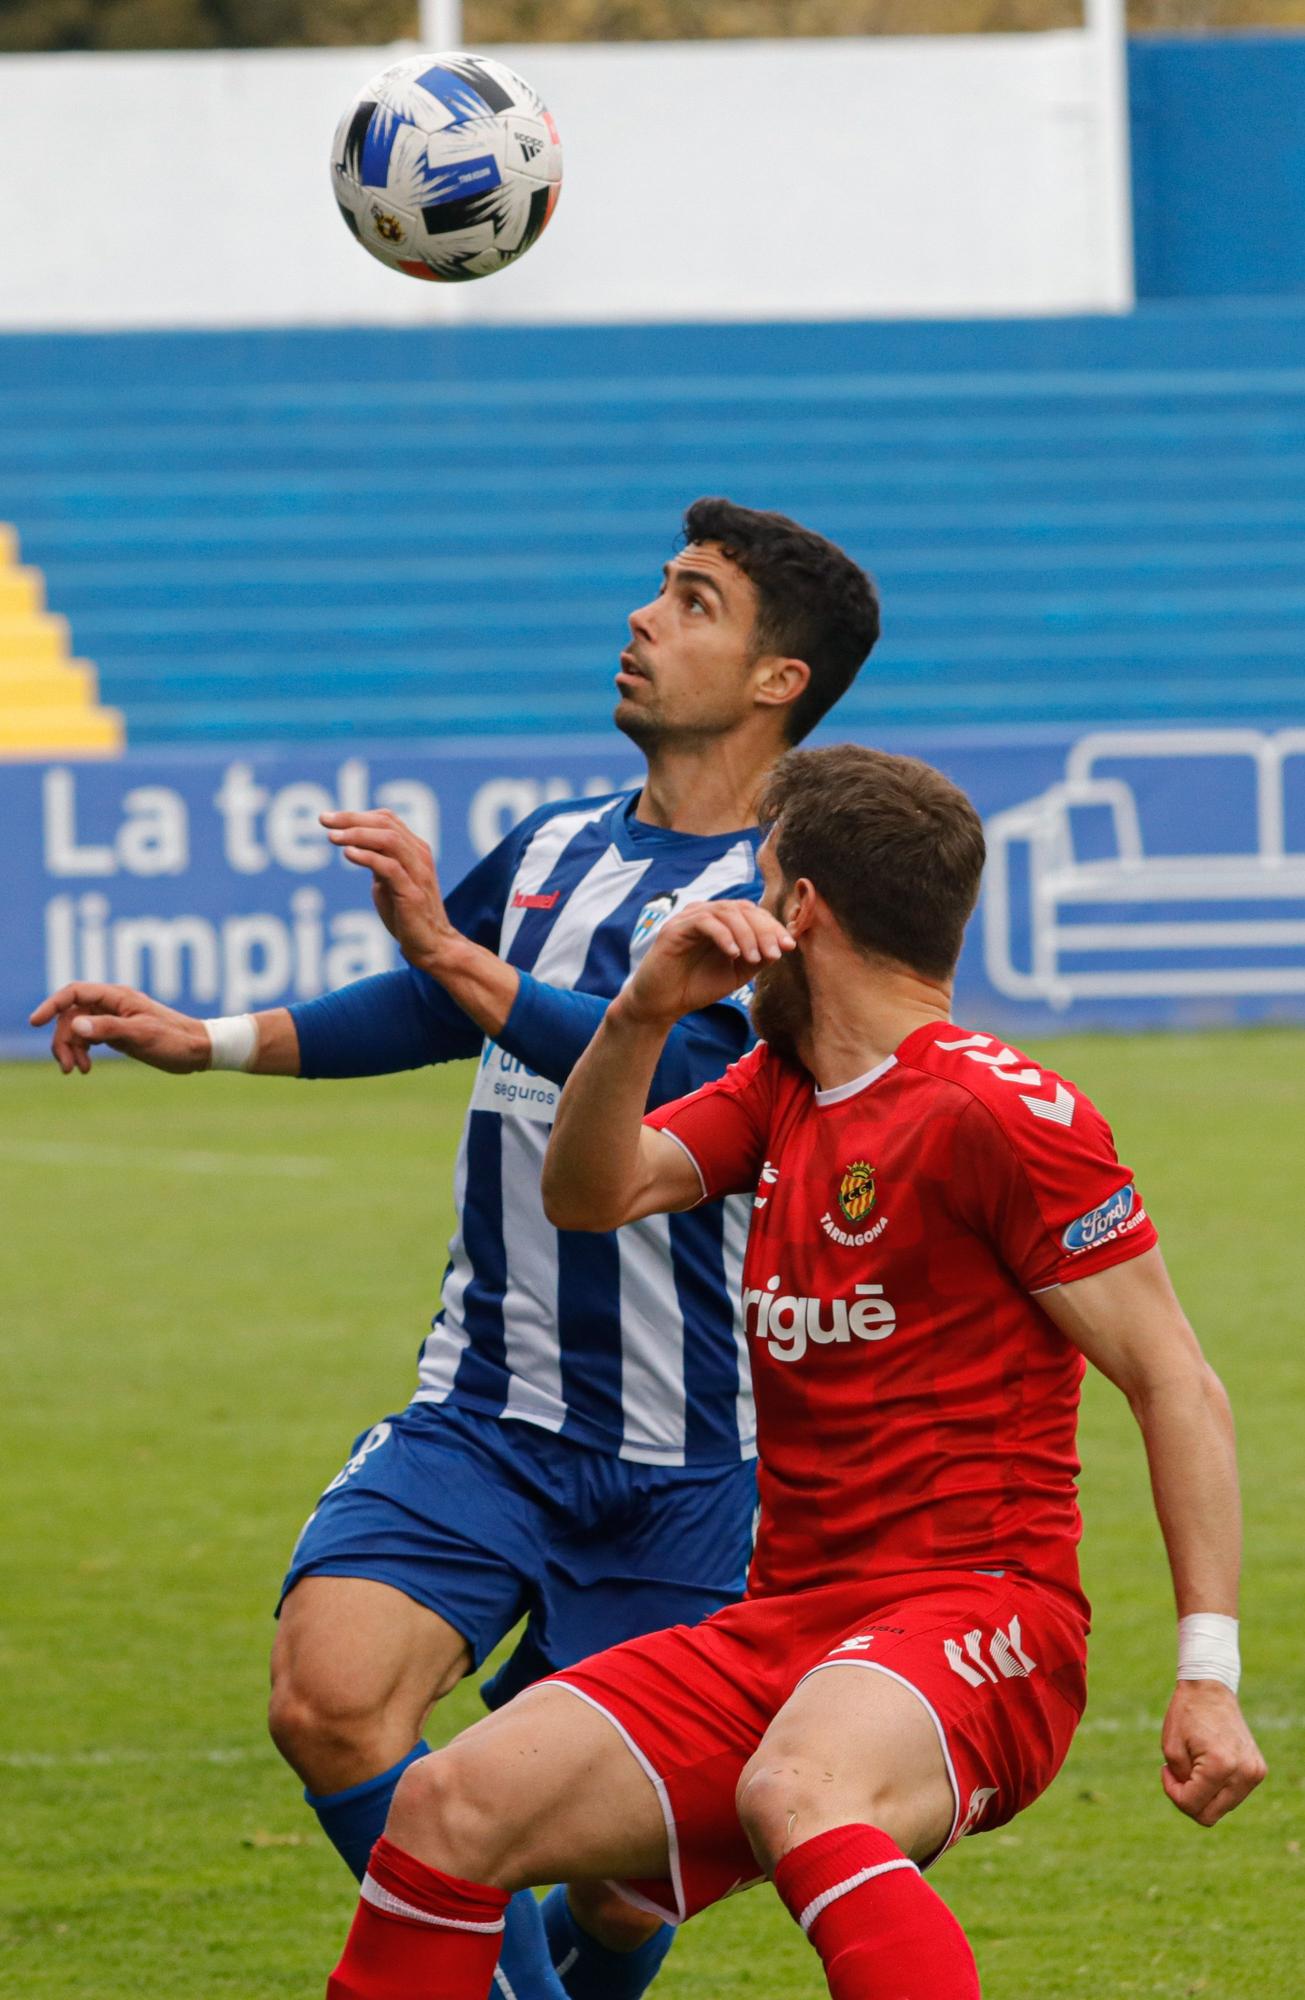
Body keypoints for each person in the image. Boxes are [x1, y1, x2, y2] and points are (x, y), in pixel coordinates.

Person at [30, 501, 881, 2000]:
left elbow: (692, 1084)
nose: (641, 617)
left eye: (690, 603)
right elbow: (440, 1008)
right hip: (489, 1409)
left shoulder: (804, 902)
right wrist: (209, 1039)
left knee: (627, 1880)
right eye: (658, 590)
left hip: (708, 1460)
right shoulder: (554, 845)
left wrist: (457, 958)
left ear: (776, 682)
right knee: (331, 1700)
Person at [322, 743, 1267, 2000]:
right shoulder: (782, 1085)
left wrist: (1208, 1673)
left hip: (983, 1614)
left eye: (758, 875)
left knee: (799, 1786)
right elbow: (590, 1190)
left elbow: (1175, 1379)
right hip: (789, 1622)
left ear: (799, 908)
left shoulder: (998, 1110)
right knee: (449, 1803)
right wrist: (641, 1008)